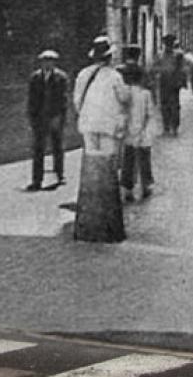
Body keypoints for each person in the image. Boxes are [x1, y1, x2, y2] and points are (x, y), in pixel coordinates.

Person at [71, 35, 130, 242]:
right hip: (108, 128)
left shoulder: (83, 75)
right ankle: (108, 223)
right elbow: (124, 100)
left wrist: (88, 116)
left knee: (91, 168)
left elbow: (77, 102)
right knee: (107, 169)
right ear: (109, 57)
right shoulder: (115, 77)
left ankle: (89, 222)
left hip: (88, 126)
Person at [25, 49, 69, 191]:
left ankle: (60, 175)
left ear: (54, 62)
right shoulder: (35, 78)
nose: (47, 64)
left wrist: (60, 117)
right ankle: (37, 179)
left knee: (57, 147)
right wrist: (32, 118)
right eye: (45, 61)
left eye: (50, 61)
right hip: (39, 118)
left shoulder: (61, 77)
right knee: (38, 149)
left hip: (55, 117)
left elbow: (63, 99)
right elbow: (31, 99)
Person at [119, 63, 155, 201]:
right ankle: (146, 184)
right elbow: (149, 113)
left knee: (129, 159)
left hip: (131, 130)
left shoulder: (125, 93)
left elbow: (122, 113)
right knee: (143, 159)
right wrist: (144, 129)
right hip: (141, 130)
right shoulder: (145, 94)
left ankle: (128, 186)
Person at [151, 35, 186, 137]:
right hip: (164, 84)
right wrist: (159, 73)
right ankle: (166, 126)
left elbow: (182, 69)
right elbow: (154, 68)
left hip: (174, 85)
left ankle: (174, 127)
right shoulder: (159, 56)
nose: (168, 46)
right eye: (167, 44)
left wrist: (180, 81)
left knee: (174, 106)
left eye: (170, 44)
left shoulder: (178, 56)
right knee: (165, 106)